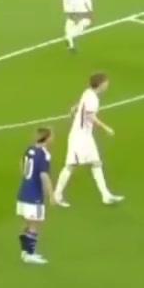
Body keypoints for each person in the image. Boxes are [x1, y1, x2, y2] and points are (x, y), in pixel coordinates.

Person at [54, 72, 123, 206]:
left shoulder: (88, 93)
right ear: (101, 84)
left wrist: (74, 109)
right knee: (71, 165)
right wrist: (106, 128)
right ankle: (57, 195)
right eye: (106, 83)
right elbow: (91, 116)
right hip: (80, 137)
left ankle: (106, 195)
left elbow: (78, 106)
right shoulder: (93, 99)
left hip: (84, 135)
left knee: (96, 163)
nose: (107, 85)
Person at [17, 127, 52, 265]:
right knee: (34, 224)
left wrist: (26, 177)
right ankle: (30, 254)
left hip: (23, 191)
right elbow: (44, 176)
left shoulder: (29, 149)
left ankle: (24, 252)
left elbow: (21, 163)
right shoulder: (43, 154)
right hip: (34, 194)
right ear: (47, 138)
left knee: (27, 223)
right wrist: (51, 194)